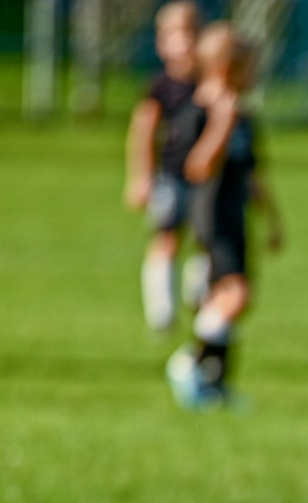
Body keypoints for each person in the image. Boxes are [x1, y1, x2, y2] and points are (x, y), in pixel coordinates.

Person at [165, 23, 282, 409]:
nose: (253, 76)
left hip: (236, 216)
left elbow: (252, 175)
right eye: (248, 68)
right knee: (235, 295)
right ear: (224, 68)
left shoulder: (243, 115)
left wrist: (274, 219)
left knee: (231, 298)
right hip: (211, 217)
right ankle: (190, 361)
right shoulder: (199, 111)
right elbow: (197, 167)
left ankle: (215, 385)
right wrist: (220, 124)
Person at [124, 1, 207, 333]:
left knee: (206, 238)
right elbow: (144, 132)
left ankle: (198, 297)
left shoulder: (210, 83)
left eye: (192, 33)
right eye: (176, 34)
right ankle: (162, 312)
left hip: (206, 180)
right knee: (167, 237)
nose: (185, 42)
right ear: (161, 42)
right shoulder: (160, 86)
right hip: (170, 176)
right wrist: (141, 177)